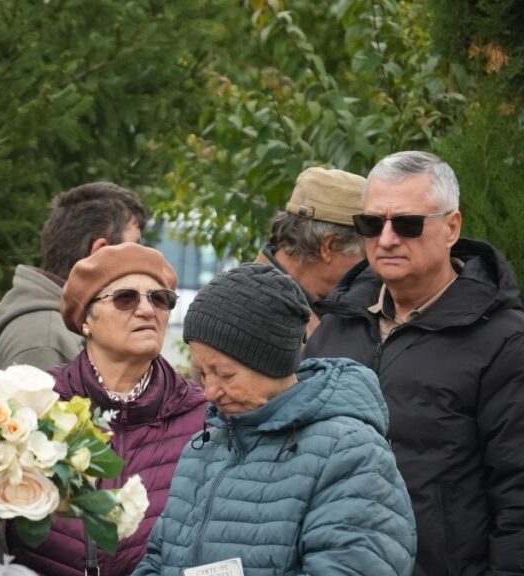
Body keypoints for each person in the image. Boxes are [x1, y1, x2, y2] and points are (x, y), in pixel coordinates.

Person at [305, 151, 524, 575]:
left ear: (451, 228)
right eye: (372, 224)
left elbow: (517, 492)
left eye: (407, 224)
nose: (386, 239)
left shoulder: (504, 341)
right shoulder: (335, 326)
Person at [135, 264, 417, 575]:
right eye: (201, 373)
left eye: (225, 374)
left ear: (273, 363)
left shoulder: (349, 453)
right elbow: (157, 558)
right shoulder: (202, 448)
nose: (210, 392)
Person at [9, 243, 206, 576]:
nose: (147, 310)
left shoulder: (202, 417)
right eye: (126, 298)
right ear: (86, 319)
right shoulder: (35, 402)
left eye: (160, 299)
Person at [0, 182, 146, 369]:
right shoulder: (46, 340)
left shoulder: (61, 329)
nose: (139, 262)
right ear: (100, 252)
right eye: (134, 248)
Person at [255, 166, 365, 337]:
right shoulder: (256, 311)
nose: (370, 268)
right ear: (329, 247)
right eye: (364, 255)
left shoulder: (300, 304)